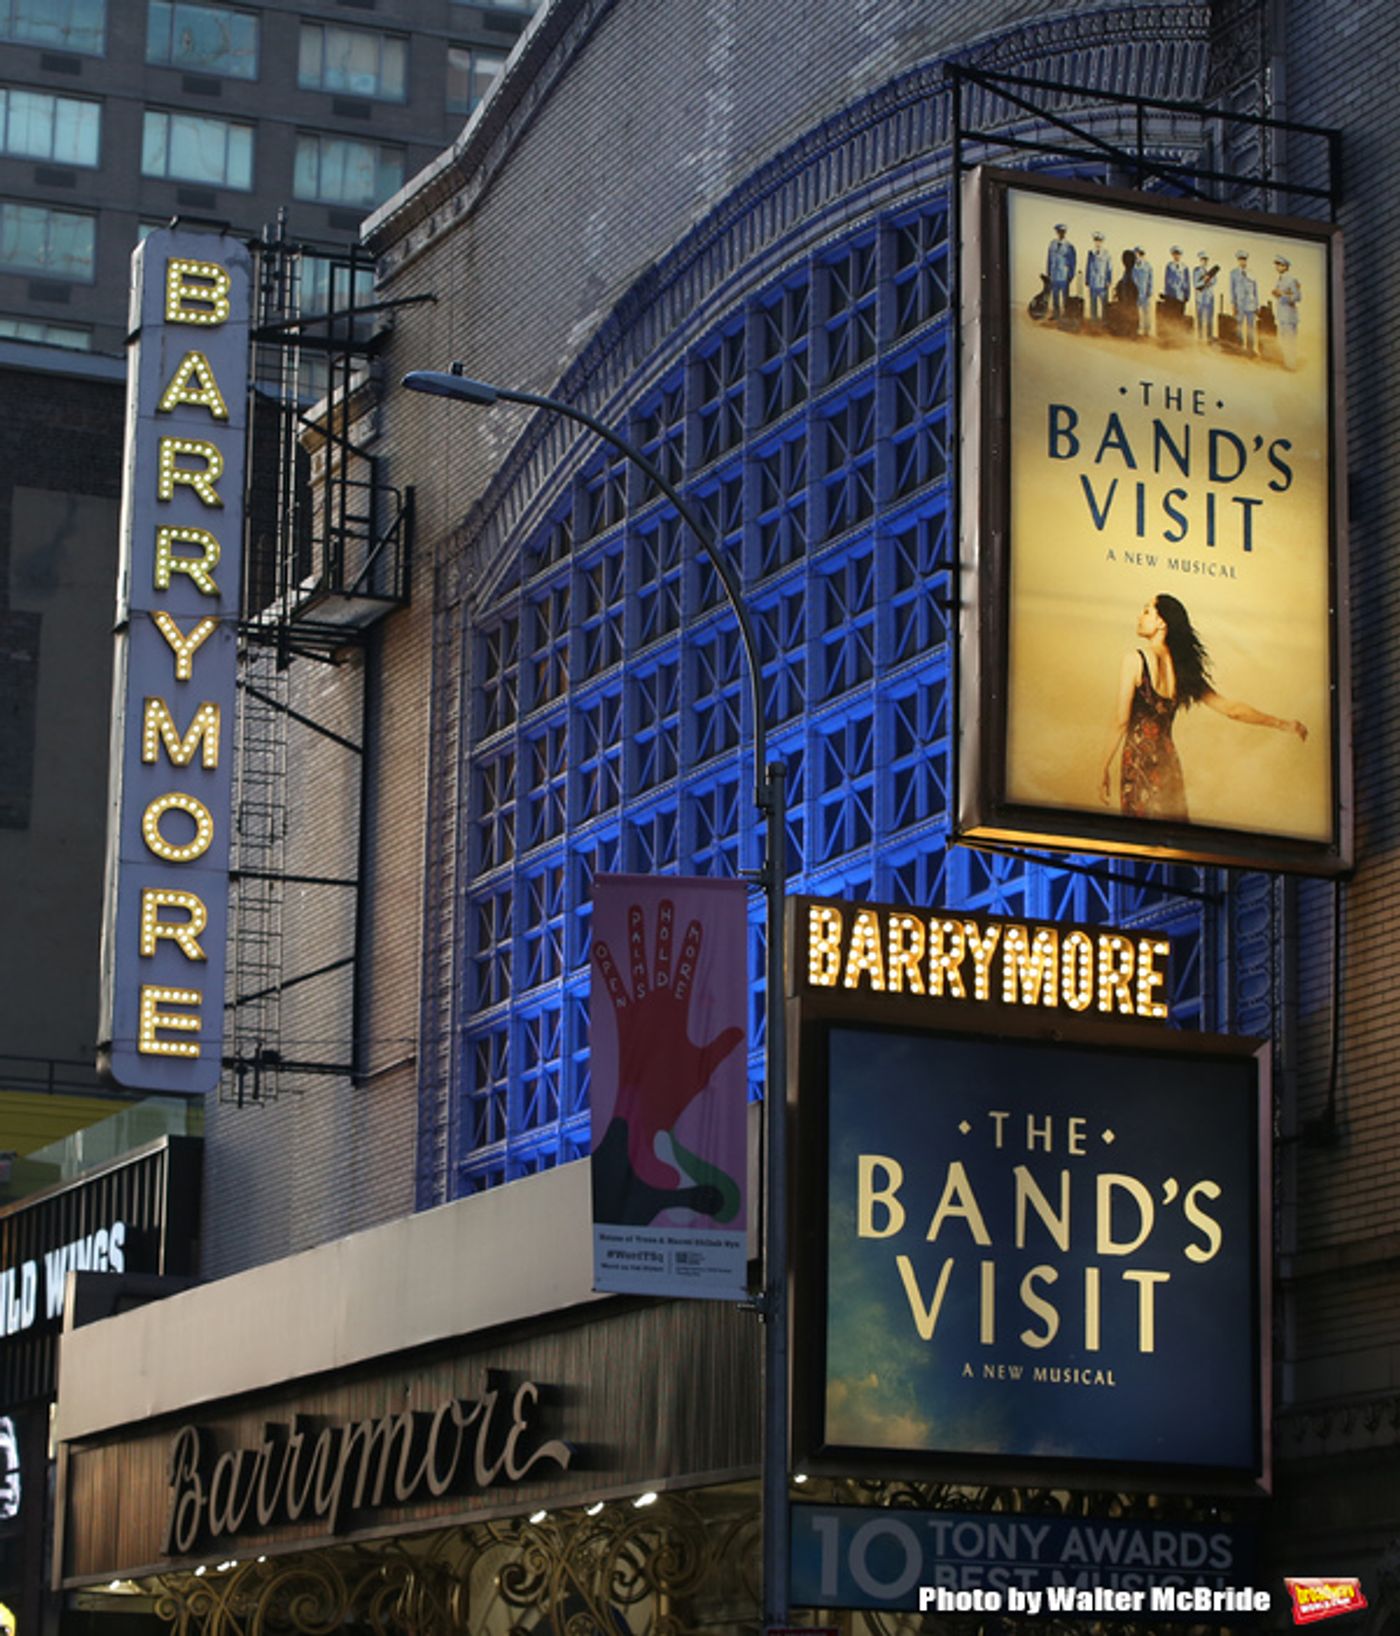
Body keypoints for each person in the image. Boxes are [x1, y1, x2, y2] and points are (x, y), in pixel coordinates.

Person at [1100, 594, 1307, 819]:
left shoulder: (1135, 659)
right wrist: (1283, 724)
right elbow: (1231, 710)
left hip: (1139, 763)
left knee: (1141, 840)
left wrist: (1103, 768)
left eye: (1147, 611)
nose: (1140, 616)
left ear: (1162, 623)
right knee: (1172, 836)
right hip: (1168, 763)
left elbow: (1121, 722)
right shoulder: (1183, 671)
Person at [1272, 254, 1301, 369]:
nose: (1277, 267)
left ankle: (1291, 365)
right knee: (1284, 340)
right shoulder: (1281, 279)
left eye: (1279, 265)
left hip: (1289, 316)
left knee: (1290, 340)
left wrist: (1282, 295)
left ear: (1285, 266)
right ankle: (1287, 363)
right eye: (1277, 265)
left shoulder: (1291, 280)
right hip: (1282, 315)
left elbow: (1298, 297)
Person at [1231, 250, 1259, 355]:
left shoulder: (1251, 273)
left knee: (1250, 327)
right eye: (1240, 259)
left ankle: (1250, 349)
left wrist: (1257, 305)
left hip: (1251, 304)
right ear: (1238, 261)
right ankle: (1239, 346)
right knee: (1238, 325)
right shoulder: (1233, 273)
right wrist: (1233, 304)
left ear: (1246, 260)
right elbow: (1232, 290)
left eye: (1244, 259)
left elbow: (1255, 290)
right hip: (1240, 304)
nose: (1242, 262)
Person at [1046, 222, 1076, 318]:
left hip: (1064, 274)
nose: (1060, 233)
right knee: (1055, 295)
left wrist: (1070, 275)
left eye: (1062, 232)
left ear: (1065, 233)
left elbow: (1072, 262)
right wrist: (1049, 272)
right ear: (1057, 232)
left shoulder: (1069, 246)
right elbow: (1049, 258)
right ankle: (1056, 314)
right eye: (1059, 232)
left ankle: (1065, 315)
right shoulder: (1052, 244)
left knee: (1065, 297)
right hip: (1054, 274)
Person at [1085, 230, 1112, 322]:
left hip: (1102, 283)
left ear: (1102, 242)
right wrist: (1087, 279)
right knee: (1093, 303)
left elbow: (1109, 268)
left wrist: (1108, 280)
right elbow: (1088, 267)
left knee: (1104, 304)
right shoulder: (1090, 253)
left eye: (1099, 241)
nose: (1097, 243)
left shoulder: (1106, 254)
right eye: (1096, 241)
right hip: (1093, 282)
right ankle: (1094, 322)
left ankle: (1105, 322)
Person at [1193, 250, 1217, 344]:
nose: (1205, 261)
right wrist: (1205, 281)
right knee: (1200, 319)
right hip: (1200, 299)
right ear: (1200, 260)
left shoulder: (1211, 271)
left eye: (1206, 260)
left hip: (1209, 298)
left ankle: (1209, 339)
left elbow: (1214, 281)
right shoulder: (1197, 271)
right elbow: (1196, 284)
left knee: (1210, 319)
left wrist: (1209, 280)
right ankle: (1199, 338)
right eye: (1203, 259)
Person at [1131, 244, 1154, 335]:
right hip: (1134, 293)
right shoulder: (1131, 266)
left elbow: (1150, 280)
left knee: (1146, 312)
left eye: (1140, 254)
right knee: (1136, 312)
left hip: (1145, 293)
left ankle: (1147, 330)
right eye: (1136, 254)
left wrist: (1150, 291)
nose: (1138, 256)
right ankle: (1137, 329)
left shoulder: (1148, 266)